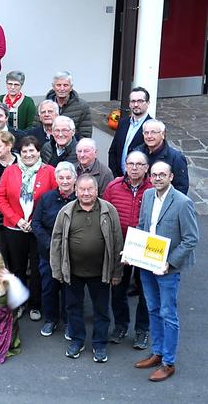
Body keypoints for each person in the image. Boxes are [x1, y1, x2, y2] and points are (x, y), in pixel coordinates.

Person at [133, 161, 199, 381]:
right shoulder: (149, 196)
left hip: (167, 269)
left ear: (171, 177)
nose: (158, 178)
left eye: (162, 174)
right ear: (149, 177)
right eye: (154, 175)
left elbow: (191, 239)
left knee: (168, 314)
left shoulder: (183, 202)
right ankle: (157, 352)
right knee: (152, 308)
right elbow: (143, 226)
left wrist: (169, 263)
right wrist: (133, 253)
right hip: (147, 264)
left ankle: (168, 362)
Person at [50, 174, 124, 363]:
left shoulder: (109, 210)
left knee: (101, 310)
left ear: (97, 190)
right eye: (82, 189)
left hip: (101, 272)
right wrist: (57, 270)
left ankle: (99, 344)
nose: (86, 193)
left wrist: (117, 272)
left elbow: (117, 242)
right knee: (73, 308)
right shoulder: (66, 211)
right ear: (76, 190)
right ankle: (77, 340)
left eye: (90, 189)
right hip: (73, 272)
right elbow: (56, 241)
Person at [0, 136, 57, 321]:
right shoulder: (10, 171)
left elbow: (54, 199)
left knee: (38, 268)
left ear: (39, 152)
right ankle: (20, 302)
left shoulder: (50, 172)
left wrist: (35, 221)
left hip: (38, 229)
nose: (28, 154)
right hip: (15, 228)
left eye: (32, 150)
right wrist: (17, 220)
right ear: (19, 154)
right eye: (24, 151)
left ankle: (35, 305)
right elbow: (1, 198)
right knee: (18, 267)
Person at [102, 150, 152, 350]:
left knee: (145, 290)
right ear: (125, 166)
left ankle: (142, 330)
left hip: (145, 246)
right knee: (118, 289)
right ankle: (121, 326)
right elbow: (104, 215)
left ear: (146, 168)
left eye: (139, 164)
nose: (134, 168)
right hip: (119, 246)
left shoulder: (153, 188)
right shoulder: (113, 187)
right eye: (130, 163)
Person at [31, 161, 77, 337]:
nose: (65, 181)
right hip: (48, 253)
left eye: (68, 177)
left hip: (72, 254)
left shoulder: (80, 199)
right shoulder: (47, 198)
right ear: (56, 179)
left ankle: (68, 321)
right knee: (49, 287)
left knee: (69, 289)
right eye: (61, 177)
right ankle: (50, 320)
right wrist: (50, 243)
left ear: (75, 178)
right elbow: (36, 223)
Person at [108, 86, 152, 177]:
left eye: (140, 101)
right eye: (133, 101)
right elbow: (113, 151)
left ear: (148, 103)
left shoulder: (153, 127)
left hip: (141, 181)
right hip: (120, 179)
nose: (136, 105)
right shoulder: (123, 123)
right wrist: (115, 176)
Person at [136, 119, 189, 194]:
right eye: (146, 133)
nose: (149, 136)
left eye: (153, 132)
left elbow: (181, 188)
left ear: (163, 135)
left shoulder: (176, 158)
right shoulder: (137, 153)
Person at [40, 71, 92, 138]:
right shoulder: (43, 106)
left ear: (71, 87)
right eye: (58, 85)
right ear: (53, 87)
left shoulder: (82, 106)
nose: (62, 89)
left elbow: (85, 134)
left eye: (65, 85)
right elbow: (36, 131)